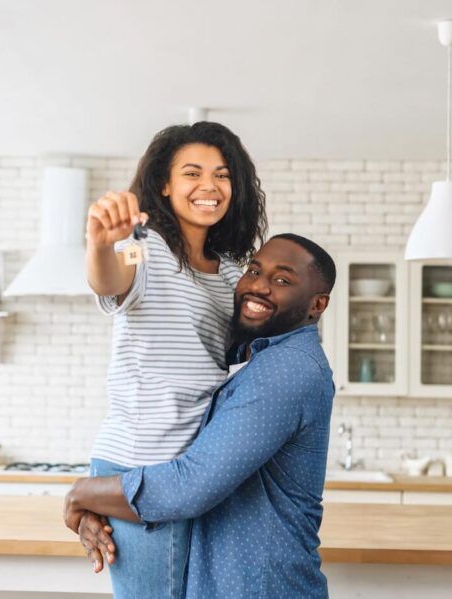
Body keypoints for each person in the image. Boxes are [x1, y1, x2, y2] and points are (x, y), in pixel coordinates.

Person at [66, 234, 336, 599]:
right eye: (254, 270)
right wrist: (96, 504)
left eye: (282, 280)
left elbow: (191, 486)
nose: (258, 285)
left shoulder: (285, 371)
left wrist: (83, 493)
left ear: (317, 304)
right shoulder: (259, 359)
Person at [84, 121, 267, 599]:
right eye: (192, 173)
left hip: (194, 471)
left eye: (222, 175)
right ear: (164, 185)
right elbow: (109, 282)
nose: (209, 186)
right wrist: (102, 242)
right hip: (142, 464)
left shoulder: (230, 274)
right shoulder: (144, 247)